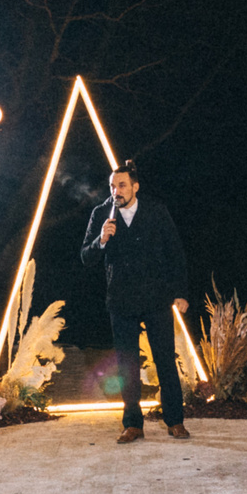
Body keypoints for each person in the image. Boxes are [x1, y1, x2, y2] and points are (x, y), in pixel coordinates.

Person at [80, 160, 191, 443]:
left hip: (156, 298)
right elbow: (86, 257)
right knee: (127, 366)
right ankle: (133, 424)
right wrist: (101, 240)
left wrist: (181, 292)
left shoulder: (156, 210)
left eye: (122, 185)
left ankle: (175, 421)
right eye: (112, 186)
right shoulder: (101, 213)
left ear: (135, 187)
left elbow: (175, 252)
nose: (116, 191)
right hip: (121, 300)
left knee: (165, 361)